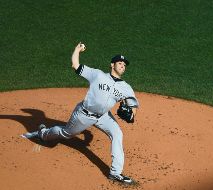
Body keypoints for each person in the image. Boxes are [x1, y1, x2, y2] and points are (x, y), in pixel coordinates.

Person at [23, 42, 139, 184]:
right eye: (120, 63)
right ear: (112, 65)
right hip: (84, 114)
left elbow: (133, 104)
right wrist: (77, 50)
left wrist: (132, 114)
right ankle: (43, 134)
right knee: (65, 133)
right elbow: (76, 66)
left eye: (124, 64)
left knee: (117, 134)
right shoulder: (97, 75)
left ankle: (115, 173)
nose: (122, 66)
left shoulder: (126, 87)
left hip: (103, 117)